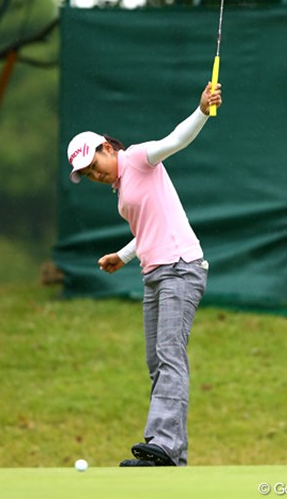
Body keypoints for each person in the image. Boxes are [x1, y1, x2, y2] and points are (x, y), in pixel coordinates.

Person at [67, 81, 222, 467]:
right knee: (157, 361)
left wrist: (201, 110)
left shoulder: (136, 158)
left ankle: (164, 444)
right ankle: (170, 454)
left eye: (93, 165)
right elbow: (146, 230)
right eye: (86, 174)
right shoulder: (122, 188)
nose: (94, 175)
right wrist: (122, 256)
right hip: (155, 274)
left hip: (180, 269)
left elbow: (175, 140)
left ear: (107, 148)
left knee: (170, 354)